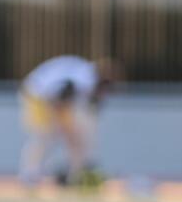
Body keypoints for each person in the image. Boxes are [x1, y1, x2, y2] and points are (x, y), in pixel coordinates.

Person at [19, 54, 117, 187]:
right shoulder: (84, 80)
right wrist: (63, 127)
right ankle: (30, 175)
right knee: (45, 136)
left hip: (56, 99)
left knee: (75, 137)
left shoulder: (85, 76)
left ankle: (76, 175)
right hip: (38, 95)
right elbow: (57, 98)